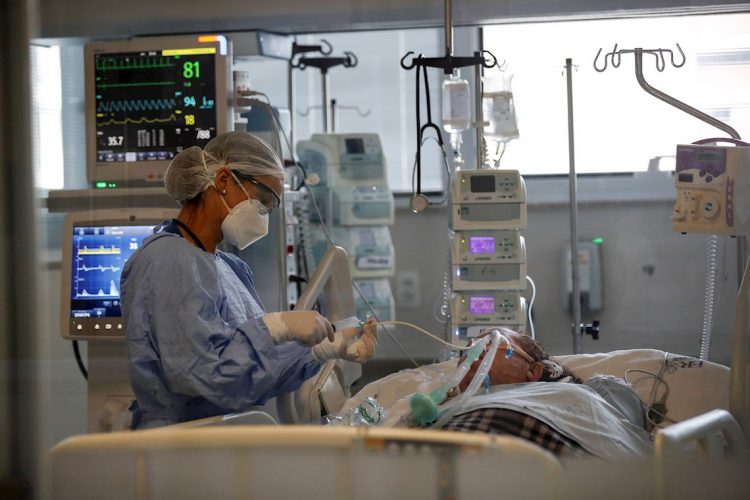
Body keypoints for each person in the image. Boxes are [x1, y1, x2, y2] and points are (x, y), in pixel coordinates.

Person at [121, 131, 377, 429]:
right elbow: (204, 376)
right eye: (264, 199)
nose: (265, 214)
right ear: (224, 181)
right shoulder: (168, 260)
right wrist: (272, 327)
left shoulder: (229, 267)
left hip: (225, 436)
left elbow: (249, 376)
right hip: (181, 446)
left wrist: (323, 350)